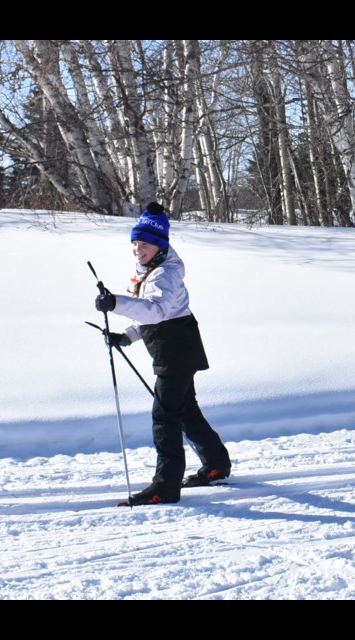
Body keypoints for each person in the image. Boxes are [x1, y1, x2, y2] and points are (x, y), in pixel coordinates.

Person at [94, 202, 232, 504]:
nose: (137, 249)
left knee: (165, 417)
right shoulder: (149, 271)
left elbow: (155, 312)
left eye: (143, 244)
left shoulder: (164, 275)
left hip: (176, 352)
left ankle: (165, 487)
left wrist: (115, 303)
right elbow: (150, 317)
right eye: (134, 243)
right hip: (175, 349)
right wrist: (127, 337)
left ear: (158, 245)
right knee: (185, 412)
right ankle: (217, 465)